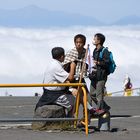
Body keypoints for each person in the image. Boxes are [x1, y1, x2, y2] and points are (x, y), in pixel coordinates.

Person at [35, 47, 77, 117]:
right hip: (53, 94)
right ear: (62, 56)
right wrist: (73, 66)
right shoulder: (56, 66)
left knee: (75, 92)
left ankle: (89, 109)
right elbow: (70, 78)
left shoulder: (53, 64)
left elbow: (62, 79)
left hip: (53, 91)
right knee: (74, 102)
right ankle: (70, 121)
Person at [63, 34, 94, 123]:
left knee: (87, 100)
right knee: (73, 102)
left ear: (83, 43)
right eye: (77, 42)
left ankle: (85, 121)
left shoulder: (86, 53)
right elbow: (64, 67)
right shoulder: (71, 52)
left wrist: (86, 67)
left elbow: (90, 64)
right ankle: (71, 122)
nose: (78, 44)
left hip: (81, 79)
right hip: (71, 80)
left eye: (80, 42)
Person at [89, 33, 111, 116]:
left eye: (95, 39)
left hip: (101, 76)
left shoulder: (104, 51)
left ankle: (100, 110)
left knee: (99, 95)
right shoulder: (95, 50)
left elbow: (107, 62)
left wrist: (98, 62)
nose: (93, 40)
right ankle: (105, 107)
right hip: (94, 75)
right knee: (92, 94)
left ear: (99, 41)